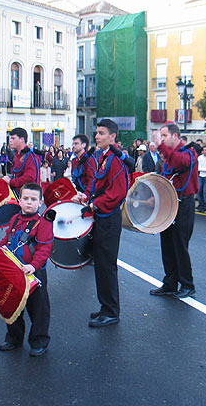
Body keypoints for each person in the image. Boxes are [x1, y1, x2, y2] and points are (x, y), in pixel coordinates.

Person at [72, 119, 128, 327]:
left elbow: (117, 193)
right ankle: (106, 307)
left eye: (102, 133)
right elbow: (99, 187)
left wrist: (94, 205)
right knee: (100, 265)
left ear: (113, 137)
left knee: (106, 265)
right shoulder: (102, 157)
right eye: (97, 133)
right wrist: (86, 198)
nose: (97, 136)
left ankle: (112, 311)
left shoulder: (116, 160)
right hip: (101, 215)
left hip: (108, 217)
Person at [0, 183, 53, 357]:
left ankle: (39, 341)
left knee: (39, 308)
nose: (29, 202)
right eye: (26, 199)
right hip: (14, 270)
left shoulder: (43, 222)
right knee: (12, 305)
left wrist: (33, 266)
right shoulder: (15, 219)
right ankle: (14, 337)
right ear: (19, 201)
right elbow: (7, 239)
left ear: (40, 202)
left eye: (33, 199)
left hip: (34, 272)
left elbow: (44, 249)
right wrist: (0, 250)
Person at [150, 122, 198, 299]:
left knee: (180, 245)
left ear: (175, 136)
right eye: (161, 136)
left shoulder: (189, 153)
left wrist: (160, 146)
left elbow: (179, 162)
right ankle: (170, 282)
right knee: (167, 244)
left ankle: (187, 284)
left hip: (183, 204)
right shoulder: (168, 159)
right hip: (169, 203)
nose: (162, 139)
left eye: (164, 136)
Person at [3, 128, 40, 194]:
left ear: (21, 140)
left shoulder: (31, 156)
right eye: (10, 138)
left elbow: (30, 177)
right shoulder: (17, 155)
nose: (10, 141)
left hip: (28, 196)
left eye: (13, 138)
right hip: (19, 194)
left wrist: (11, 182)